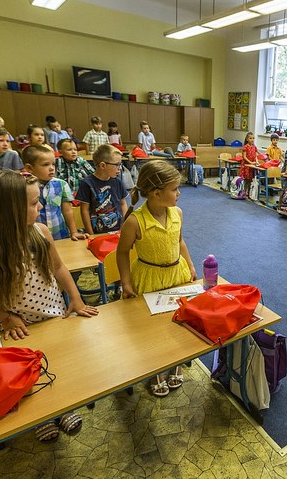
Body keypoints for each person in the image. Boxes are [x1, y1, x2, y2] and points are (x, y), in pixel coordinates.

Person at [0, 169, 99, 442]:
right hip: (16, 327)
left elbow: (58, 267)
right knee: (26, 375)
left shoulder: (40, 231)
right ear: (7, 210)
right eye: (34, 203)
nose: (41, 207)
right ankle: (40, 416)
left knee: (58, 363)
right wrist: (4, 317)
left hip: (53, 314)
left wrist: (76, 298)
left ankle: (61, 406)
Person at [116, 160, 195, 397]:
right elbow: (122, 252)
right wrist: (126, 283)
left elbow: (180, 241)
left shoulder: (177, 213)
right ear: (157, 193)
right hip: (149, 277)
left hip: (176, 275)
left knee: (178, 321)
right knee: (151, 330)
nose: (179, 193)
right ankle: (155, 370)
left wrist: (190, 266)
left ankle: (176, 362)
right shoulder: (135, 221)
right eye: (174, 189)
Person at [22, 145, 87, 241]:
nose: (52, 168)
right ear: (29, 168)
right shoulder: (23, 187)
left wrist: (74, 232)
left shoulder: (61, 184)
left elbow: (67, 210)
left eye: (53, 164)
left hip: (59, 235)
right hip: (33, 238)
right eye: (45, 165)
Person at [76, 144, 128, 234]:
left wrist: (124, 226)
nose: (120, 168)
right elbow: (84, 211)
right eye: (117, 164)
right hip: (97, 232)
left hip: (118, 231)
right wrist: (90, 233)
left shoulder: (117, 181)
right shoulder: (87, 183)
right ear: (102, 165)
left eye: (121, 164)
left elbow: (123, 204)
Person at [240, 131, 258, 198]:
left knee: (251, 179)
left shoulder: (254, 147)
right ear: (247, 139)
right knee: (246, 180)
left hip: (252, 165)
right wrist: (250, 162)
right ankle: (244, 192)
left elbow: (256, 155)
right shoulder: (245, 147)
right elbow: (244, 157)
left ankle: (249, 192)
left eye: (253, 138)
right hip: (246, 165)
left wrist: (256, 161)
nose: (252, 140)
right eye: (250, 138)